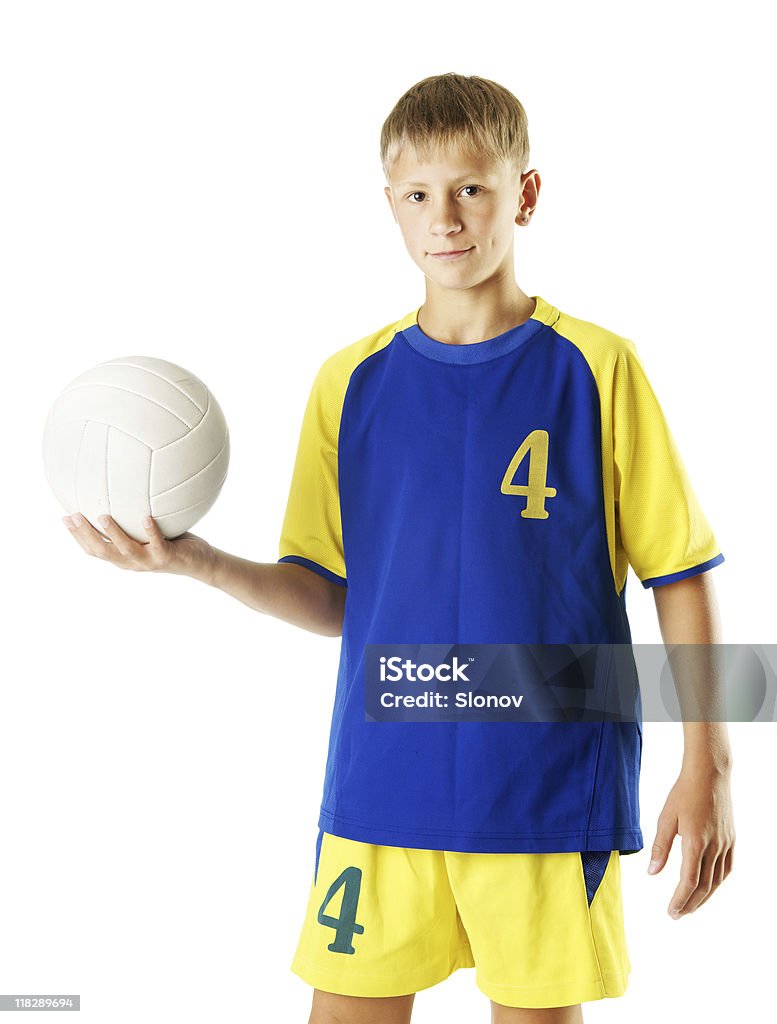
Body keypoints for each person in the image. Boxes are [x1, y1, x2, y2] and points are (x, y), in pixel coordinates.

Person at [62, 73, 736, 1024]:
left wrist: (709, 763)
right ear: (390, 206)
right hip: (382, 783)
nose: (445, 218)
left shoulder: (597, 366)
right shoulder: (350, 381)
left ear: (525, 195)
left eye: (470, 189)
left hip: (541, 788)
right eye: (418, 195)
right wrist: (195, 562)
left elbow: (681, 571)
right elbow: (330, 595)